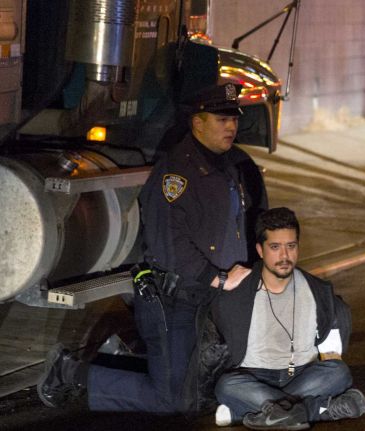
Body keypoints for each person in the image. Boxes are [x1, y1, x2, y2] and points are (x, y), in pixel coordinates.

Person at [37, 82, 269, 413]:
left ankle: (112, 358)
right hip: (173, 300)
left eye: (233, 118)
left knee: (194, 394)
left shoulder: (231, 165)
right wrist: (216, 278)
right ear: (197, 122)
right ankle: (71, 370)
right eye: (220, 119)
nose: (230, 126)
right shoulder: (178, 173)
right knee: (172, 399)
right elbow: (169, 244)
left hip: (206, 297)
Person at [210, 207, 365, 430]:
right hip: (255, 377)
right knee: (227, 386)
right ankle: (317, 410)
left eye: (291, 246)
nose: (284, 256)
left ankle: (246, 412)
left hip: (304, 374)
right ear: (260, 250)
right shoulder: (238, 292)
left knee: (338, 373)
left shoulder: (318, 291)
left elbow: (332, 353)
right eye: (275, 247)